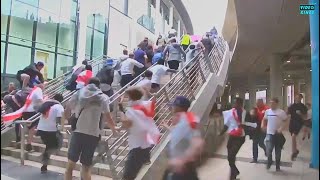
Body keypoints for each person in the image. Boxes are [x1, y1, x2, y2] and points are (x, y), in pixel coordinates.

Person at [64, 77, 118, 180]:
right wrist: (114, 130)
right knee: (86, 167)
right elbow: (108, 117)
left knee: (70, 164)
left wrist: (68, 120)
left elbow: (67, 108)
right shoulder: (103, 97)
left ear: (88, 84)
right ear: (99, 86)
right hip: (93, 135)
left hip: (78, 132)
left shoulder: (79, 93)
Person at [119, 87, 160, 180]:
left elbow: (127, 123)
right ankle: (146, 159)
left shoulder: (132, 111)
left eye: (127, 97)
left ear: (130, 97)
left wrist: (121, 111)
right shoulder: (145, 105)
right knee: (131, 174)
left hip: (137, 147)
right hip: (145, 144)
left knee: (127, 176)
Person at [161, 96, 205, 180]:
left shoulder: (188, 120)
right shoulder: (183, 120)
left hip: (182, 166)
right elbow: (181, 134)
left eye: (174, 106)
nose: (172, 107)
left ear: (179, 107)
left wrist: (182, 160)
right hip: (181, 165)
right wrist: (167, 127)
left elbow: (198, 143)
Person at [220, 98, 256, 180]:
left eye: (236, 103)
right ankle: (234, 173)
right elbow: (227, 124)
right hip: (232, 136)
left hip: (240, 137)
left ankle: (233, 175)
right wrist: (221, 133)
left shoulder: (245, 113)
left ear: (240, 104)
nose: (234, 104)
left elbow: (249, 124)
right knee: (230, 157)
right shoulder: (230, 112)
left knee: (232, 155)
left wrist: (246, 128)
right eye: (234, 103)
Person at [2, 83, 45, 151]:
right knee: (32, 127)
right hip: (31, 110)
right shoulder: (38, 90)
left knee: (24, 123)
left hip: (24, 109)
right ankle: (28, 144)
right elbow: (40, 100)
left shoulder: (29, 91)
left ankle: (20, 138)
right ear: (41, 87)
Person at [36, 93, 64, 173]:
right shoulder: (59, 106)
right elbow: (59, 118)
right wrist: (59, 127)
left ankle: (44, 163)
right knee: (57, 144)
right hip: (50, 130)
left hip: (41, 129)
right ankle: (44, 157)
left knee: (49, 146)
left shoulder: (47, 104)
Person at [261, 97, 287, 171]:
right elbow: (264, 119)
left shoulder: (281, 112)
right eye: (270, 103)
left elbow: (285, 120)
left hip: (278, 134)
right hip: (269, 133)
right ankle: (269, 162)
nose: (271, 104)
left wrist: (281, 128)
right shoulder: (267, 111)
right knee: (269, 149)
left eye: (273, 103)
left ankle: (277, 165)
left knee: (278, 150)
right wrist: (263, 125)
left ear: (277, 104)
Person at [288, 94, 308, 161]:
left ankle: (293, 153)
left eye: (298, 98)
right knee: (293, 138)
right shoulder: (292, 106)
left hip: (299, 123)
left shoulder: (303, 107)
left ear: (301, 98)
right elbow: (287, 113)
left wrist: (301, 114)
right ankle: (296, 150)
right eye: (296, 97)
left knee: (293, 136)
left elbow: (305, 117)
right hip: (292, 123)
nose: (297, 98)